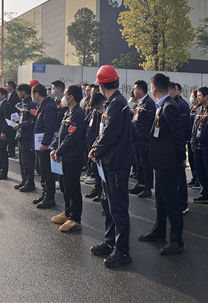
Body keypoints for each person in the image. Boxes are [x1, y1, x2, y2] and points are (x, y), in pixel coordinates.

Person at [88, 65, 135, 268]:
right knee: (108, 204)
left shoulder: (117, 103)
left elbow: (109, 134)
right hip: (109, 162)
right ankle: (110, 242)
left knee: (117, 207)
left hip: (116, 163)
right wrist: (96, 148)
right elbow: (104, 132)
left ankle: (122, 250)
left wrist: (95, 151)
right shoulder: (114, 102)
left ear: (101, 85)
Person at [138, 74, 186, 255]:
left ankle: (177, 240)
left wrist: (182, 158)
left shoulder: (169, 106)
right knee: (160, 198)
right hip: (160, 161)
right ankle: (159, 231)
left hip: (168, 162)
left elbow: (178, 134)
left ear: (154, 88)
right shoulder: (162, 105)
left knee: (171, 201)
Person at [50, 85, 87, 232]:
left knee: (72, 187)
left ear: (71, 97)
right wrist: (54, 148)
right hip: (64, 156)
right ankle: (67, 212)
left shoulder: (78, 114)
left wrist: (59, 151)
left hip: (73, 157)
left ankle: (75, 219)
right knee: (64, 186)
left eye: (65, 95)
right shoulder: (68, 112)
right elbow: (60, 134)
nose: (63, 97)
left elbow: (72, 137)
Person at [32, 83, 58, 208]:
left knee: (47, 172)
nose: (32, 96)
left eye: (33, 94)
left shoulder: (48, 106)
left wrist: (45, 143)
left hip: (44, 146)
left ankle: (49, 198)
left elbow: (50, 127)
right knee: (41, 170)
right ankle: (44, 193)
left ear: (37, 94)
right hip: (39, 144)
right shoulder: (42, 106)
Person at [128, 80, 156, 199]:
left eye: (135, 89)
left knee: (145, 164)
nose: (134, 91)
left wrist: (147, 137)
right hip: (136, 138)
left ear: (140, 90)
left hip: (144, 139)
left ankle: (147, 188)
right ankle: (140, 184)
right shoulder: (138, 103)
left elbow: (151, 123)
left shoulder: (149, 103)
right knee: (138, 163)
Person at [13, 83, 37, 192]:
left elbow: (32, 121)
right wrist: (17, 121)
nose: (18, 94)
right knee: (22, 161)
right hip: (21, 135)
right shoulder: (23, 104)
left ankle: (30, 183)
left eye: (19, 92)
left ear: (23, 92)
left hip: (27, 136)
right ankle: (24, 180)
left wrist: (21, 125)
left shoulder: (31, 104)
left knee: (27, 161)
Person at [172, 82, 192, 214]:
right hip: (171, 145)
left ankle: (183, 204)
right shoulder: (170, 103)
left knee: (180, 176)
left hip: (178, 143)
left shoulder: (181, 105)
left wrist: (185, 140)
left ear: (177, 91)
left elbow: (184, 126)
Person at [84, 92, 106, 201]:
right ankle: (97, 189)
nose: (97, 109)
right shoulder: (95, 111)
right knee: (95, 169)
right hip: (92, 142)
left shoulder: (106, 113)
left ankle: (101, 192)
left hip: (100, 145)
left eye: (98, 107)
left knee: (101, 171)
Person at [187, 90, 201, 189]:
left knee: (197, 162)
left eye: (193, 96)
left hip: (197, 139)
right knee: (191, 160)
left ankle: (198, 180)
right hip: (190, 138)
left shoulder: (200, 109)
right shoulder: (192, 108)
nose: (191, 98)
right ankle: (194, 177)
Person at [6, 81, 20, 158]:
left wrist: (15, 118)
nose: (6, 87)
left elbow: (16, 108)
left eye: (7, 86)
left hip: (13, 118)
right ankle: (9, 149)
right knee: (9, 134)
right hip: (9, 118)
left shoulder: (15, 95)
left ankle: (11, 151)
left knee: (12, 135)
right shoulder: (8, 95)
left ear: (11, 86)